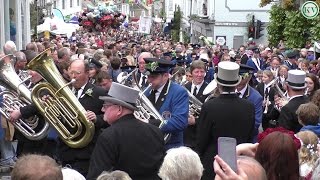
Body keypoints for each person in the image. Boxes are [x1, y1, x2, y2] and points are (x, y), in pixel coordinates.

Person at [87, 83, 165, 180]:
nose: (103, 110)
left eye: (106, 106)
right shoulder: (155, 131)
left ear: (119, 109)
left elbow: (97, 175)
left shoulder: (109, 136)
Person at [196, 61, 255, 179]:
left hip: (213, 161)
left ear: (218, 83)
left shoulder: (209, 106)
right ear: (236, 83)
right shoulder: (248, 106)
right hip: (239, 160)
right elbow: (249, 136)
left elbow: (201, 139)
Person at [144, 57, 189, 149]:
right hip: (148, 146)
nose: (149, 80)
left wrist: (149, 122)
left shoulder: (178, 92)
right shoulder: (147, 91)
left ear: (165, 76)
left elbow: (180, 122)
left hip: (170, 147)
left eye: (154, 77)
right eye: (148, 76)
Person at [184, 60, 209, 149]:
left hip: (200, 134)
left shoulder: (209, 89)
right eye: (196, 72)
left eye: (202, 72)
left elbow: (210, 115)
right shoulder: (184, 87)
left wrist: (196, 121)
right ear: (191, 73)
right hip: (185, 133)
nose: (199, 75)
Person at [236, 64, 263, 142]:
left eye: (242, 76)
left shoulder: (256, 97)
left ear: (249, 77)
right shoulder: (227, 91)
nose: (239, 79)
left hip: (247, 140)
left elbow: (256, 123)